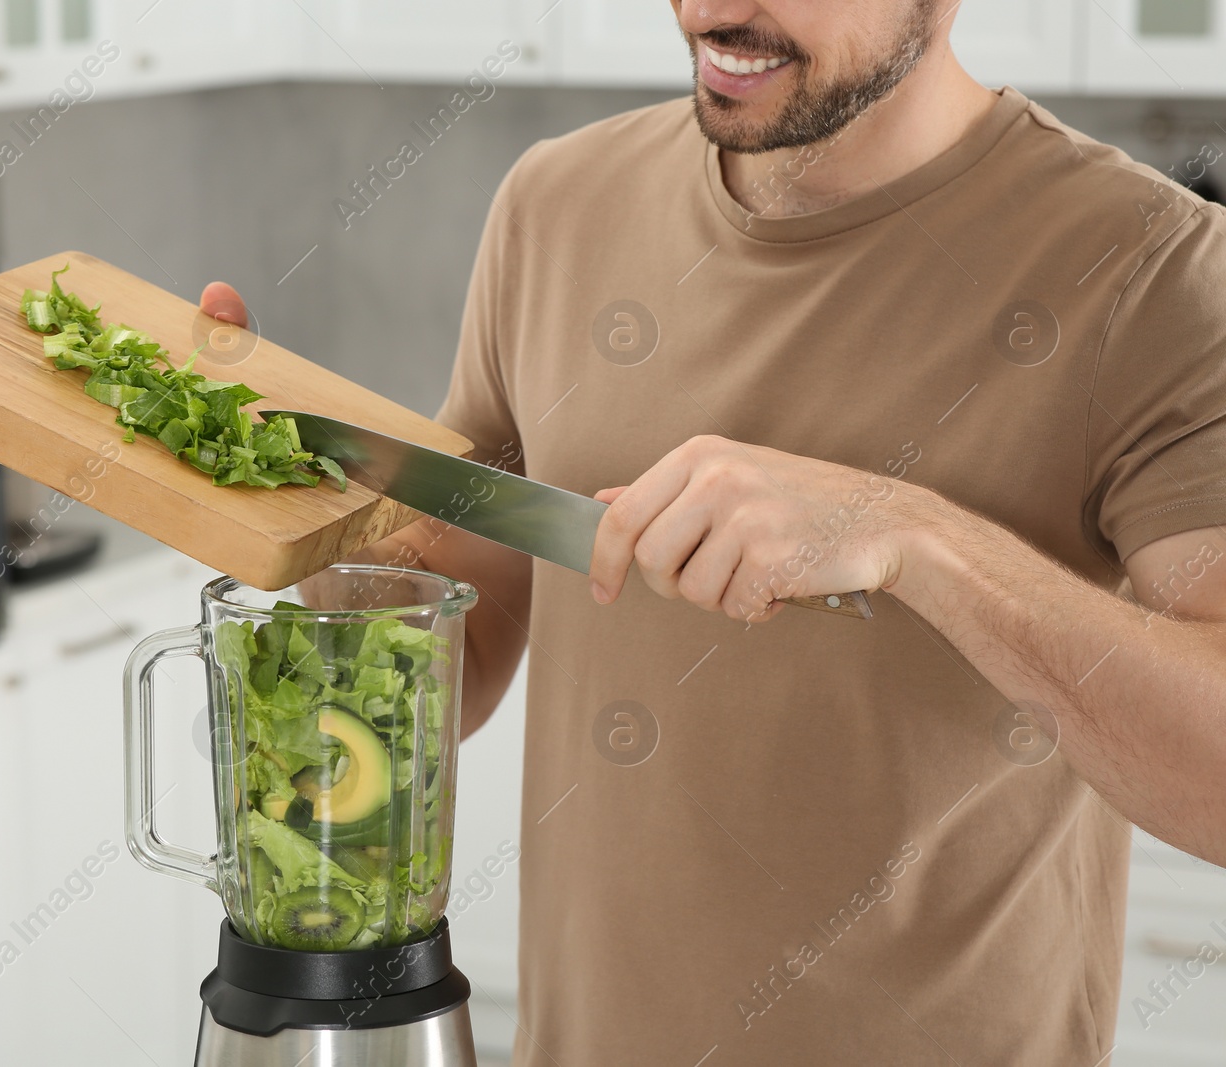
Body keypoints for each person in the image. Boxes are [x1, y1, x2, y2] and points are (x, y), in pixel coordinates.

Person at [199, 0, 1226, 1061]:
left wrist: (912, 537)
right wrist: (290, 504)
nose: (711, 9)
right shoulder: (555, 204)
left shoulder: (1154, 271)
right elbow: (451, 657)